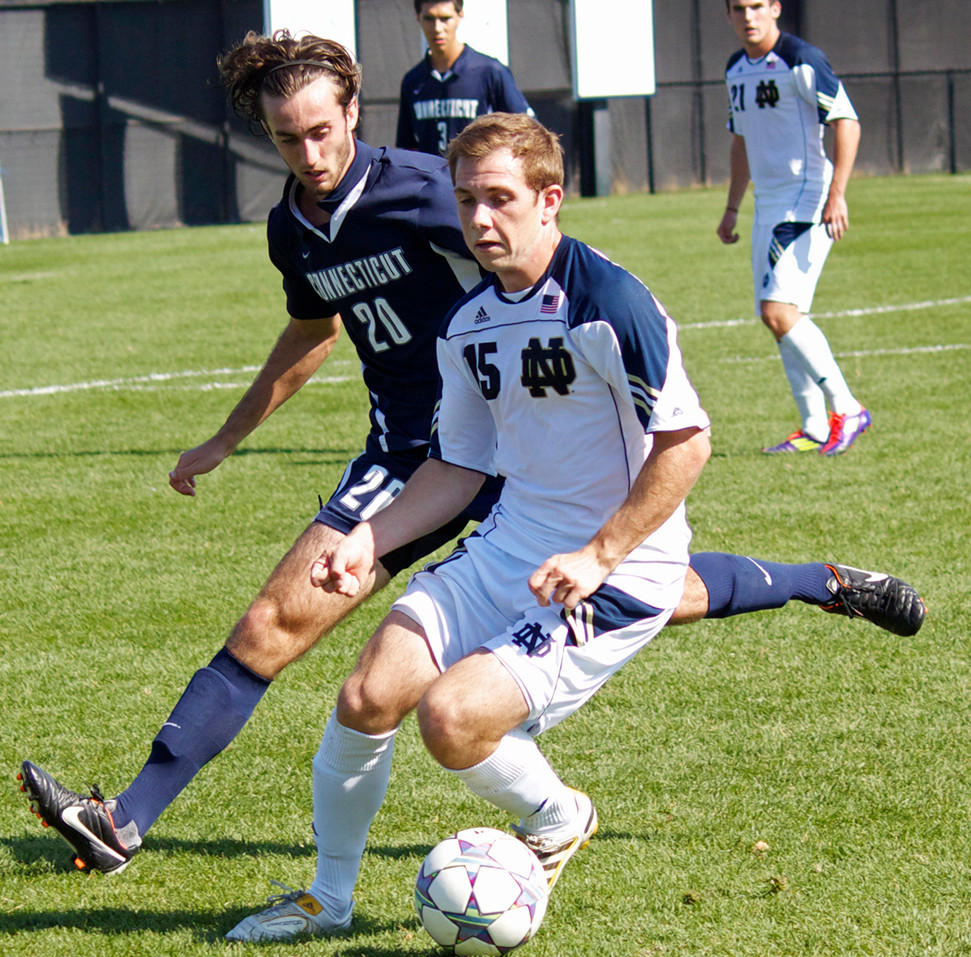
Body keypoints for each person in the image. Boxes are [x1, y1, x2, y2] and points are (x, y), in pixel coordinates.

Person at [18, 34, 924, 883]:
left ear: (355, 111)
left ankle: (126, 819)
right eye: (289, 137)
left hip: (503, 451)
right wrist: (228, 434)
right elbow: (311, 328)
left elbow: (541, 257)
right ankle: (822, 581)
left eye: (324, 131)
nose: (310, 153)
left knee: (627, 585)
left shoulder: (425, 189)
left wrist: (601, 335)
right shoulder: (292, 226)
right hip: (421, 455)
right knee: (652, 590)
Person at [222, 114, 918, 943]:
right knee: (368, 695)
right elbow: (458, 468)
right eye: (468, 200)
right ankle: (327, 901)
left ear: (549, 200)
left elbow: (686, 442)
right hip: (510, 545)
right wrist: (370, 537)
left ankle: (558, 817)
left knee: (451, 719)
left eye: (501, 199)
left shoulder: (606, 302)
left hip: (620, 570)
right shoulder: (468, 321)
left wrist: (599, 553)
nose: (480, 220)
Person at [717, 0, 868, 456]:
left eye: (757, 5)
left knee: (777, 311)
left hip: (806, 200)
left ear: (776, 9)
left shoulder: (802, 59)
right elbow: (741, 138)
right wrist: (731, 207)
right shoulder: (735, 67)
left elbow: (846, 120)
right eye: (739, 8)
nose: (749, 15)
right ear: (728, 15)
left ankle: (849, 407)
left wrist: (837, 193)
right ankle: (815, 427)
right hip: (768, 204)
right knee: (781, 316)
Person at [396, 0, 533, 156]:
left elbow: (527, 131)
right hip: (432, 179)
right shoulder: (412, 81)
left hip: (477, 178)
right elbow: (408, 148)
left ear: (460, 15)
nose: (437, 28)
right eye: (429, 18)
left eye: (445, 18)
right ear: (417, 17)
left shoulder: (490, 72)